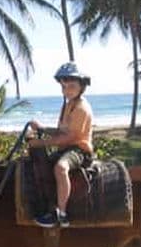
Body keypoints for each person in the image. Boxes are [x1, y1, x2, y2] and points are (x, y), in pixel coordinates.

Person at [27, 62, 93, 228]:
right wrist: (42, 128)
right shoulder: (68, 105)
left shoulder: (81, 109)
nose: (66, 90)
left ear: (81, 87)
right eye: (64, 87)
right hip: (67, 147)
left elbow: (68, 138)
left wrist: (40, 142)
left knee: (60, 168)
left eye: (71, 86)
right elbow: (60, 131)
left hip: (79, 150)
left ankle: (61, 215)